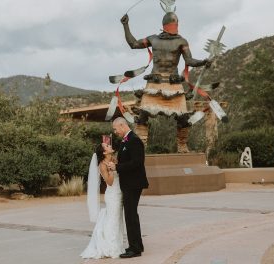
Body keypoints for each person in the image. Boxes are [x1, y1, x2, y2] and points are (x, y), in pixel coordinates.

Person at [120, 12, 211, 153]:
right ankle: (140, 146)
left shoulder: (181, 41)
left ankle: (182, 145)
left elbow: (189, 61)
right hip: (154, 84)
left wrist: (203, 62)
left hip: (173, 84)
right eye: (174, 24)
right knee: (143, 115)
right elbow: (133, 44)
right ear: (167, 25)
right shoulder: (153, 39)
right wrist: (126, 25)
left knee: (182, 117)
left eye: (177, 24)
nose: (176, 27)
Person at [106, 117, 149, 258]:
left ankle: (135, 249)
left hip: (133, 184)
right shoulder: (126, 141)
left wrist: (117, 167)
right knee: (130, 215)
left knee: (130, 215)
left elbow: (137, 163)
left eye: (115, 128)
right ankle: (136, 246)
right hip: (128, 184)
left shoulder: (134, 140)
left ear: (122, 125)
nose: (115, 131)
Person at [80, 143, 125, 259]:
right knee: (113, 219)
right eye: (107, 146)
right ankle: (110, 247)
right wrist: (111, 169)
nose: (110, 146)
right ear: (104, 152)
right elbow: (109, 182)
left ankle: (117, 245)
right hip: (112, 195)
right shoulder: (102, 165)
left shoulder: (114, 159)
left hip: (119, 193)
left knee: (118, 219)